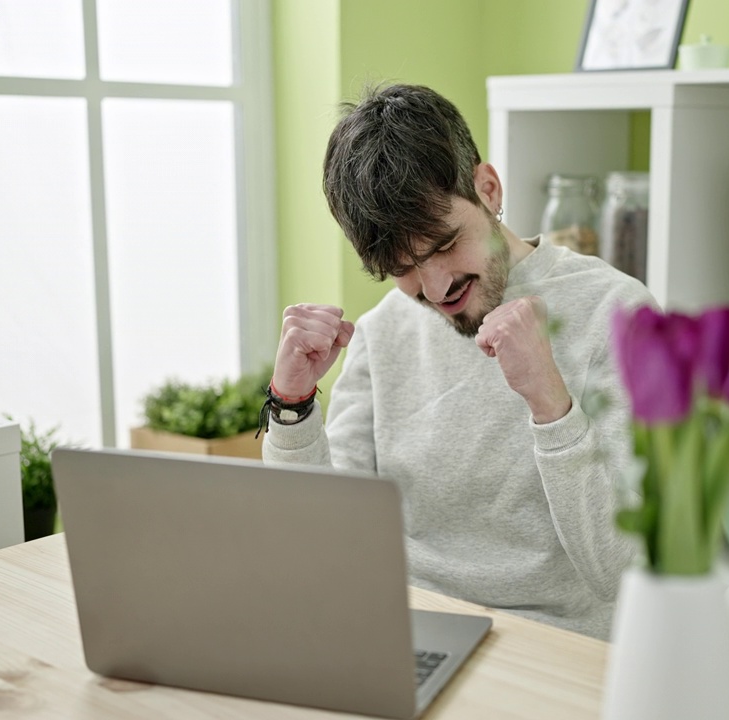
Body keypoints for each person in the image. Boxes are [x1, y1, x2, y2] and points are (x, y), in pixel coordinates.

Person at [261, 84, 655, 639]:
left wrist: (551, 404)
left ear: (488, 189)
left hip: (552, 650)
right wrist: (293, 407)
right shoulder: (382, 332)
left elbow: (632, 573)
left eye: (445, 245)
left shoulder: (620, 315)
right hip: (401, 632)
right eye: (403, 268)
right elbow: (317, 548)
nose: (436, 288)